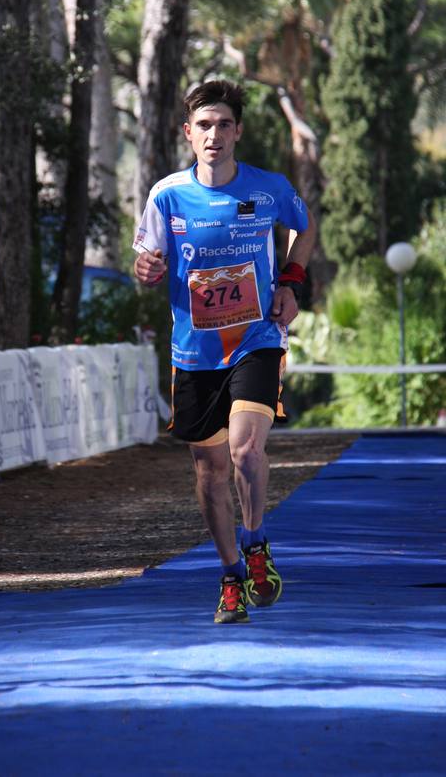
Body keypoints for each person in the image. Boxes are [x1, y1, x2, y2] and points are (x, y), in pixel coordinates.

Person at [133, 79, 316, 624]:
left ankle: (256, 540)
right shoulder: (167, 195)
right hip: (194, 351)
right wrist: (145, 267)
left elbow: (303, 228)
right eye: (204, 126)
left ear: (238, 131)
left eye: (224, 124)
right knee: (210, 471)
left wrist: (290, 282)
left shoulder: (268, 188)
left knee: (244, 451)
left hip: (256, 338)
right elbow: (145, 257)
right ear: (188, 134)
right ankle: (231, 575)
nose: (214, 134)